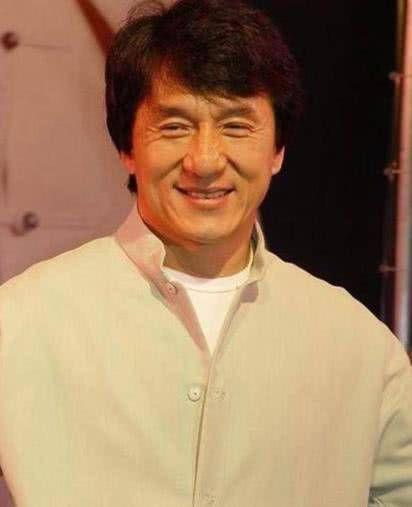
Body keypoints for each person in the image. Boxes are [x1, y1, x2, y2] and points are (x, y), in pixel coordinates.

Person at [0, 0, 411, 505]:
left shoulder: (361, 347)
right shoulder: (21, 321)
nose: (205, 161)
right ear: (127, 147)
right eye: (174, 126)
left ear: (278, 150)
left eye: (236, 126)